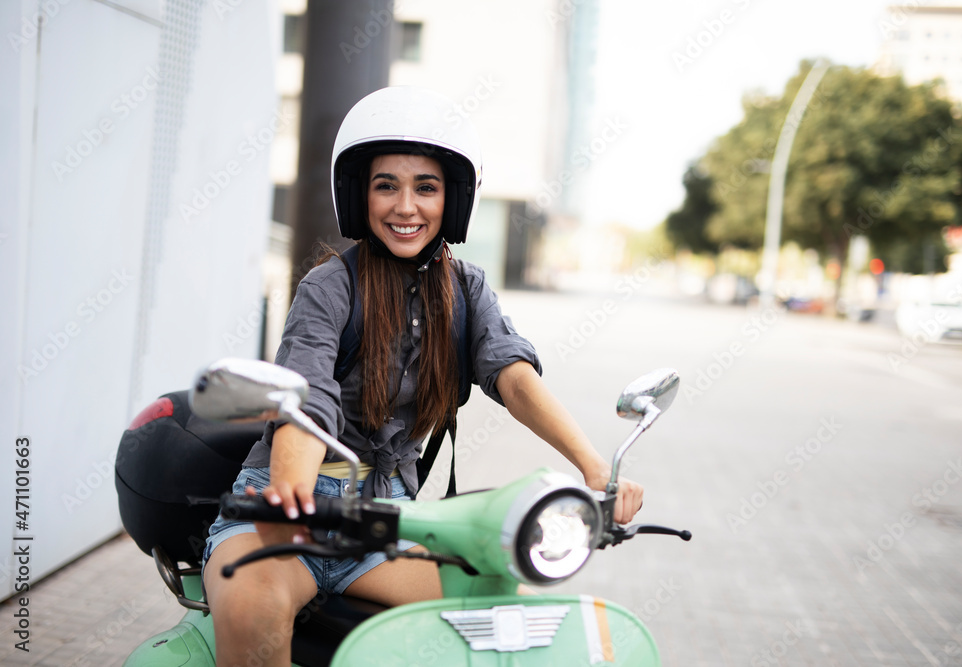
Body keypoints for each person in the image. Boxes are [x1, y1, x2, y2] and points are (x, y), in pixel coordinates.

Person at [201, 86, 644, 667]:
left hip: (388, 520)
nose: (405, 206)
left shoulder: (467, 288)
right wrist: (291, 491)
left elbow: (512, 377)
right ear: (360, 195)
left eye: (426, 188)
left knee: (486, 623)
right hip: (288, 514)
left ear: (453, 200)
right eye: (387, 185)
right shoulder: (331, 287)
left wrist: (594, 468)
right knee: (254, 619)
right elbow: (307, 402)